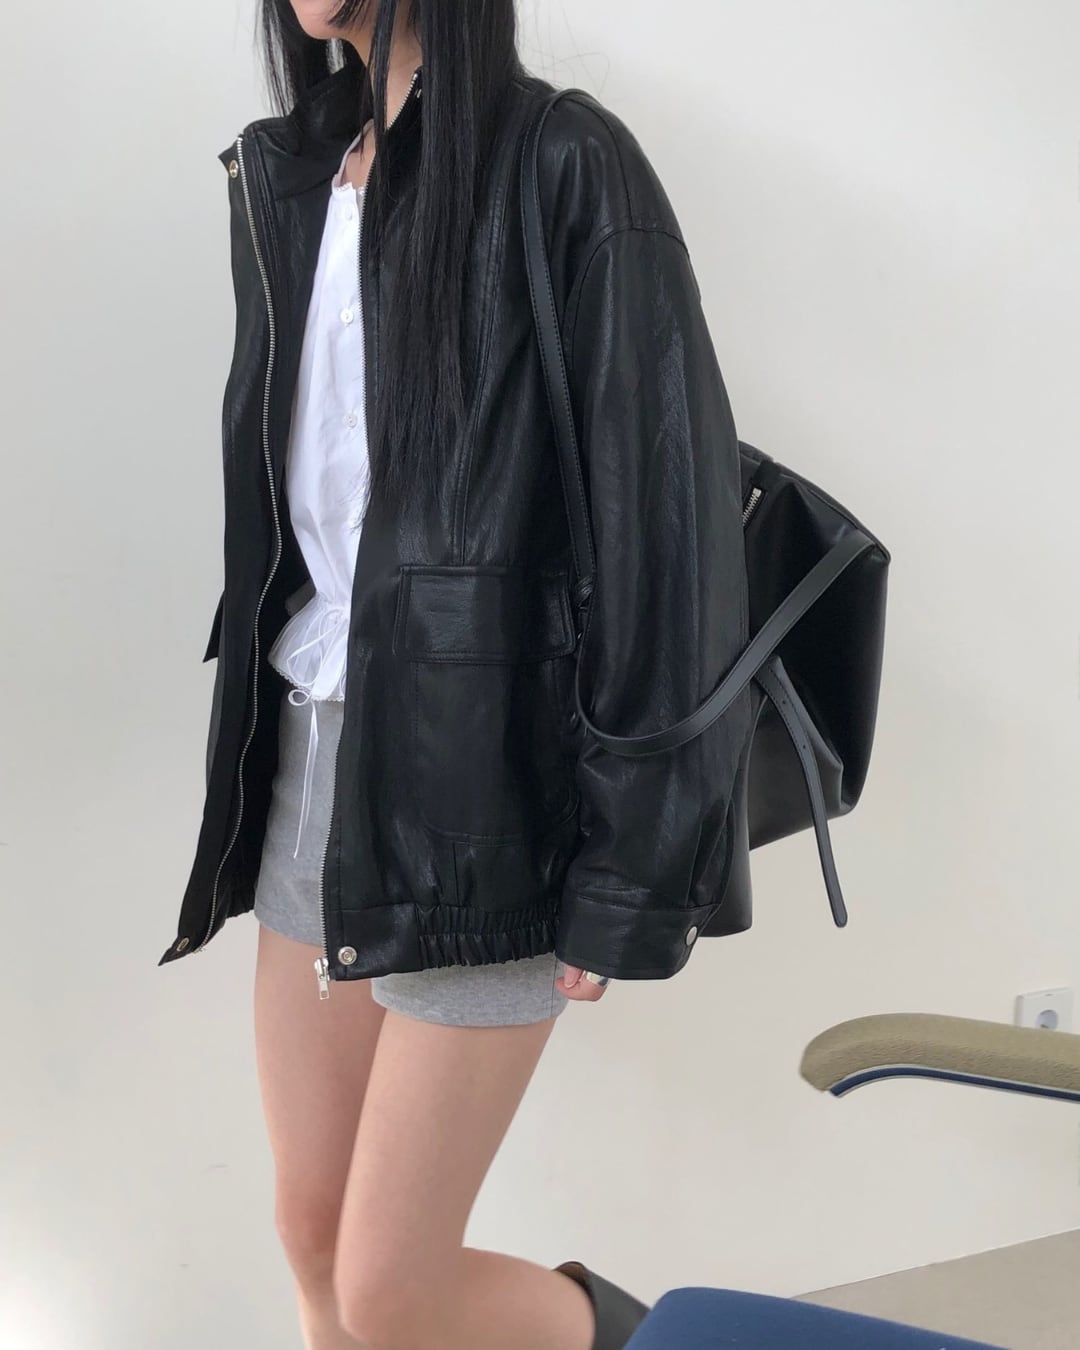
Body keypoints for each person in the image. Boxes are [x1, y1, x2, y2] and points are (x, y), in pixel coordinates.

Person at [159, 0, 752, 1345]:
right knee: (312, 1233)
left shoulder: (565, 162)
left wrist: (635, 865)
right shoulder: (290, 173)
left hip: (491, 781)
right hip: (311, 745)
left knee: (392, 1289)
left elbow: (669, 530)